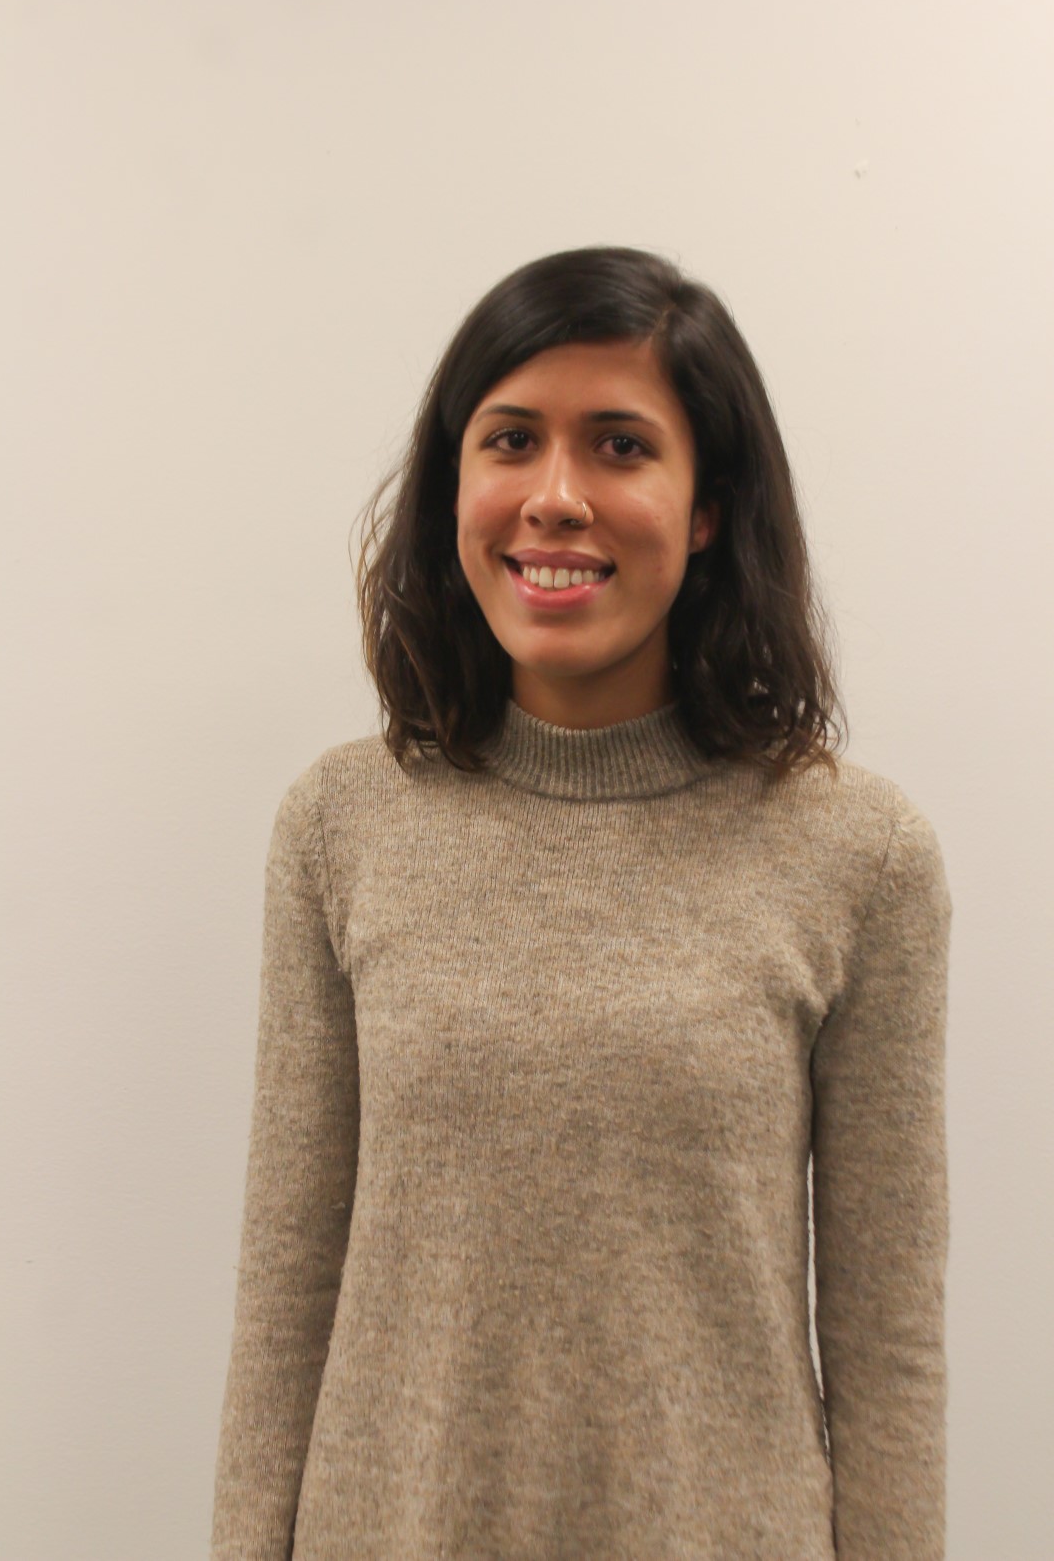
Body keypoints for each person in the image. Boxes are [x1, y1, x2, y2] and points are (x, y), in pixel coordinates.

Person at [209, 245, 952, 1560]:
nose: (555, 498)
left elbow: (887, 1345)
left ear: (707, 506)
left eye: (620, 446)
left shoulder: (860, 855)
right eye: (510, 441)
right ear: (455, 486)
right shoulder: (340, 826)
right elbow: (286, 1292)